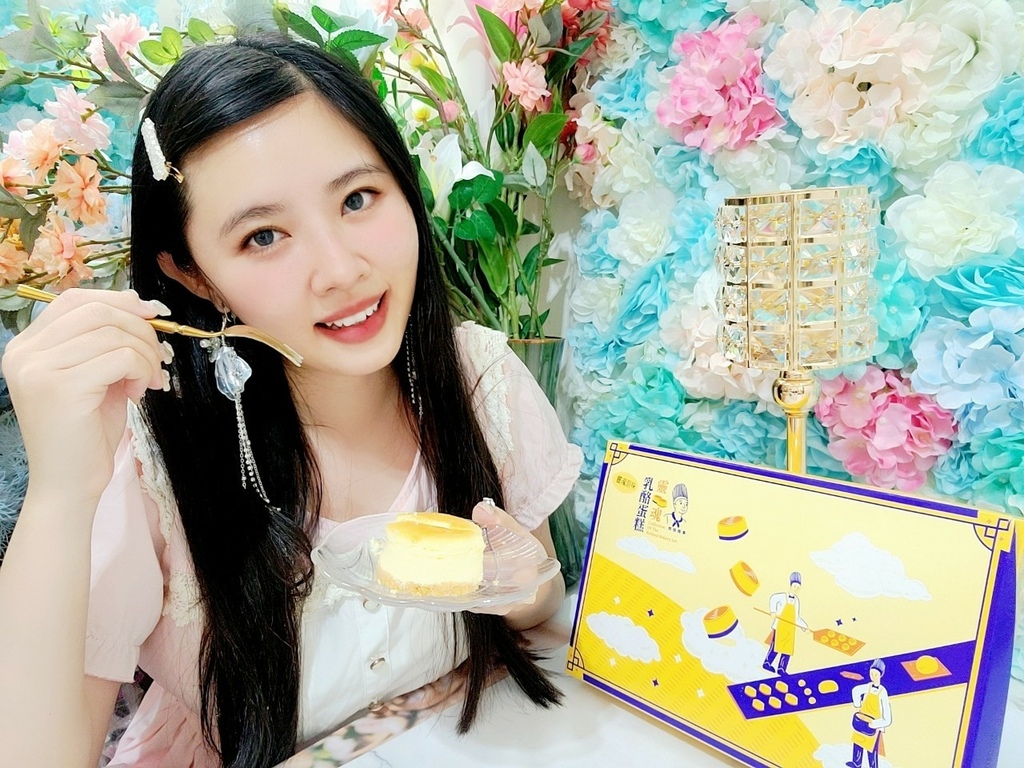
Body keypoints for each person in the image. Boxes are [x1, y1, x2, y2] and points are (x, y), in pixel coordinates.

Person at [0, 36, 582, 768]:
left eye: (357, 199)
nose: (340, 270)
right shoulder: (152, 458)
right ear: (194, 274)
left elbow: (535, 604)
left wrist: (521, 585)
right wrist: (60, 491)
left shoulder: (481, 382)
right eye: (264, 236)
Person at [847, 659, 892, 768]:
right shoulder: (867, 687)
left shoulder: (883, 692)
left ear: (881, 675)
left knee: (871, 749)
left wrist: (875, 724)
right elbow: (855, 690)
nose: (873, 676)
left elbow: (887, 717)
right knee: (858, 742)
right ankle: (856, 763)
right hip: (862, 720)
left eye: (876, 674)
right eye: (871, 674)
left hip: (874, 725)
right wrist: (857, 704)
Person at [762, 571, 808, 675]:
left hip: (790, 629)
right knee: (775, 646)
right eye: (795, 586)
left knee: (787, 649)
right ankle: (767, 663)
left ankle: (781, 668)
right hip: (780, 626)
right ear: (790, 585)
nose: (796, 589)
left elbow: (797, 617)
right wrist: (773, 611)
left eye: (798, 587)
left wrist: (804, 627)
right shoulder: (781, 597)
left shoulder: (797, 601)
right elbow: (773, 599)